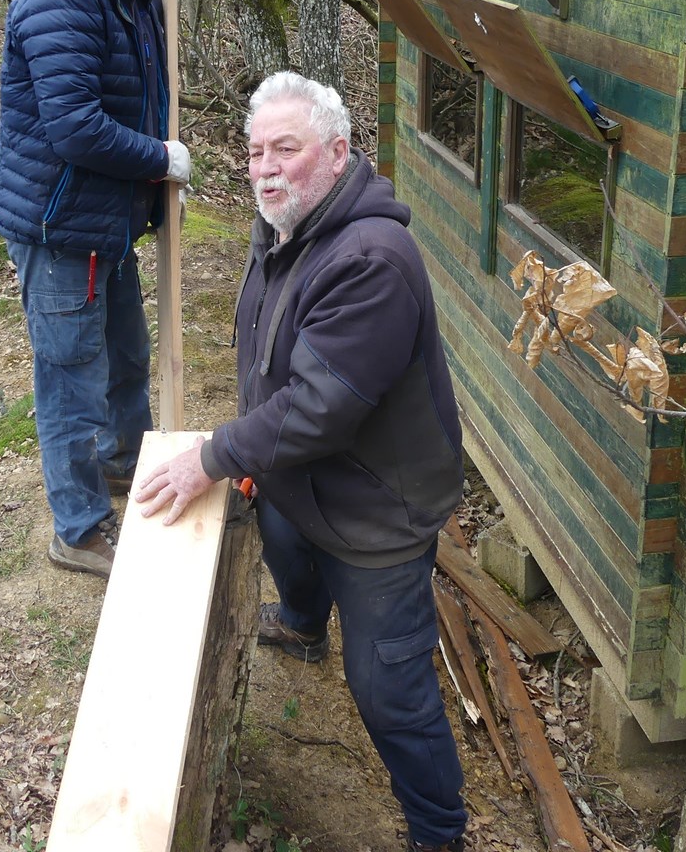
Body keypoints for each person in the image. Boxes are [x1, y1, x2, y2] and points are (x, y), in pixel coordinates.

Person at [136, 72, 468, 852]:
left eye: (286, 148)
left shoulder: (371, 258)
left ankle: (439, 832)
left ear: (338, 151)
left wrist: (218, 453)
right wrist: (252, 452)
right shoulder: (285, 229)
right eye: (255, 152)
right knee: (284, 542)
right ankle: (302, 624)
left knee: (388, 692)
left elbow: (320, 406)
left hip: (378, 508)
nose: (265, 167)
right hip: (305, 479)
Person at [0, 0, 192, 581]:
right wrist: (160, 162)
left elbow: (140, 93)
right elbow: (75, 128)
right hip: (60, 223)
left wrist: (148, 189)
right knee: (70, 379)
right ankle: (76, 528)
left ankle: (123, 467)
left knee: (127, 358)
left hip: (104, 220)